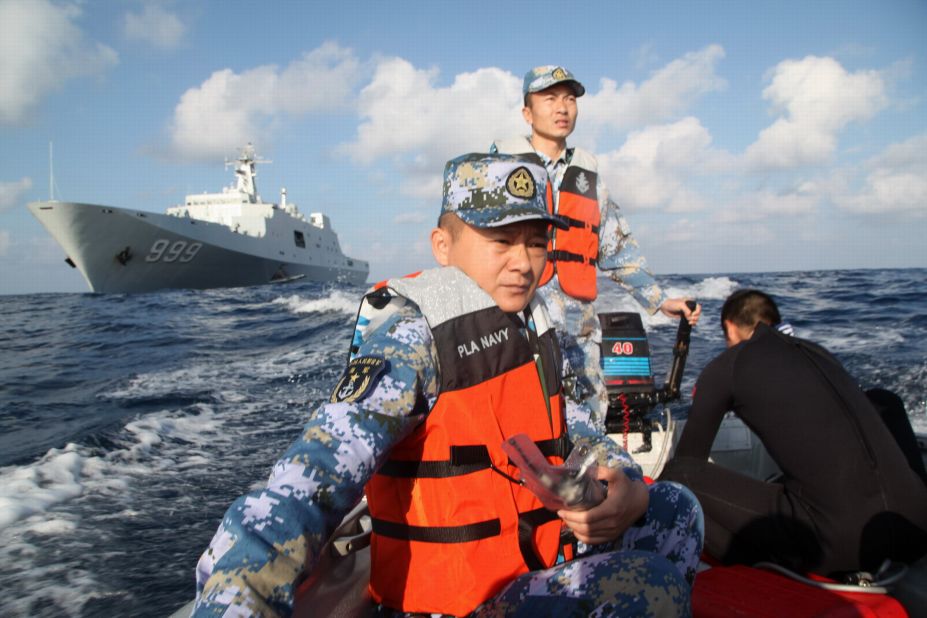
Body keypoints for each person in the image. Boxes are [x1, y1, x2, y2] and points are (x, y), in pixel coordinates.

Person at [194, 153, 703, 617]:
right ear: (443, 245)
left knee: (676, 509)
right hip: (451, 604)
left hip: (529, 562)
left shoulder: (537, 326)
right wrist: (235, 600)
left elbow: (576, 426)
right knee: (650, 588)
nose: (523, 263)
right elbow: (308, 478)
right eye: (501, 241)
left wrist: (624, 482)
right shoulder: (415, 340)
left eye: (535, 242)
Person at [660, 289, 927, 578]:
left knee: (679, 475)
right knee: (882, 398)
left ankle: (764, 573)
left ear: (730, 327)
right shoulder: (818, 353)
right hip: (917, 525)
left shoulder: (729, 365)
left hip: (843, 546)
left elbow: (689, 465)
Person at [491, 65, 701, 427]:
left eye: (570, 99)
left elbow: (616, 247)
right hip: (514, 326)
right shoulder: (497, 168)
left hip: (577, 334)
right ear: (527, 112)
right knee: (517, 421)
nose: (562, 108)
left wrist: (659, 299)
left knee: (587, 423)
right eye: (550, 98)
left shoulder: (589, 177)